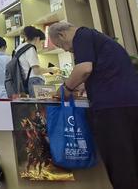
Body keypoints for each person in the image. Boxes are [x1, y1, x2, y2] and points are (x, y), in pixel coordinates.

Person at [48, 21, 138, 189]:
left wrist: (66, 89)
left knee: (120, 162)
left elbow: (84, 69)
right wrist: (82, 85)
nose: (66, 50)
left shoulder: (81, 37)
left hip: (112, 107)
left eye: (61, 46)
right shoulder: (94, 37)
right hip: (127, 103)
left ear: (62, 34)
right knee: (131, 158)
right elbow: (99, 72)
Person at [15, 26, 55, 97]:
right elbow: (36, 71)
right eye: (42, 43)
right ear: (37, 39)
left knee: (35, 103)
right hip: (35, 81)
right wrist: (51, 69)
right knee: (45, 102)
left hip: (25, 82)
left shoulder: (18, 49)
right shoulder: (30, 48)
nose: (42, 46)